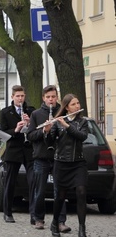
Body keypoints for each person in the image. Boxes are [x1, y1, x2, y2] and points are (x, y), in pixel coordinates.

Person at [27, 85, 71, 232]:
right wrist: (44, 131)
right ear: (43, 98)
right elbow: (30, 136)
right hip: (41, 157)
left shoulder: (62, 113)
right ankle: (39, 219)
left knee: (60, 191)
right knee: (39, 191)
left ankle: (60, 221)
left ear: (57, 97)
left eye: (53, 96)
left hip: (59, 157)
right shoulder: (36, 114)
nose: (51, 100)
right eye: (48, 97)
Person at [44, 94, 88, 237]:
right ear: (67, 107)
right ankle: (55, 222)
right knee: (60, 196)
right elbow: (50, 143)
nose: (77, 106)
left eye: (78, 103)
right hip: (61, 163)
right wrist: (47, 130)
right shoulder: (58, 122)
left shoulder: (83, 122)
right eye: (74, 104)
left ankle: (82, 228)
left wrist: (67, 126)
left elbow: (82, 136)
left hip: (78, 163)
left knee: (81, 192)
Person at [0, 85, 35, 223]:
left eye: (22, 96)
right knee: (10, 182)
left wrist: (29, 122)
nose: (20, 98)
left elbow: (36, 129)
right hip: (13, 150)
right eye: (17, 96)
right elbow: (2, 133)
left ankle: (34, 214)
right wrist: (16, 129)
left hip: (28, 150)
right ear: (12, 97)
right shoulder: (5, 112)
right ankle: (7, 212)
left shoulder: (31, 111)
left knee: (33, 182)